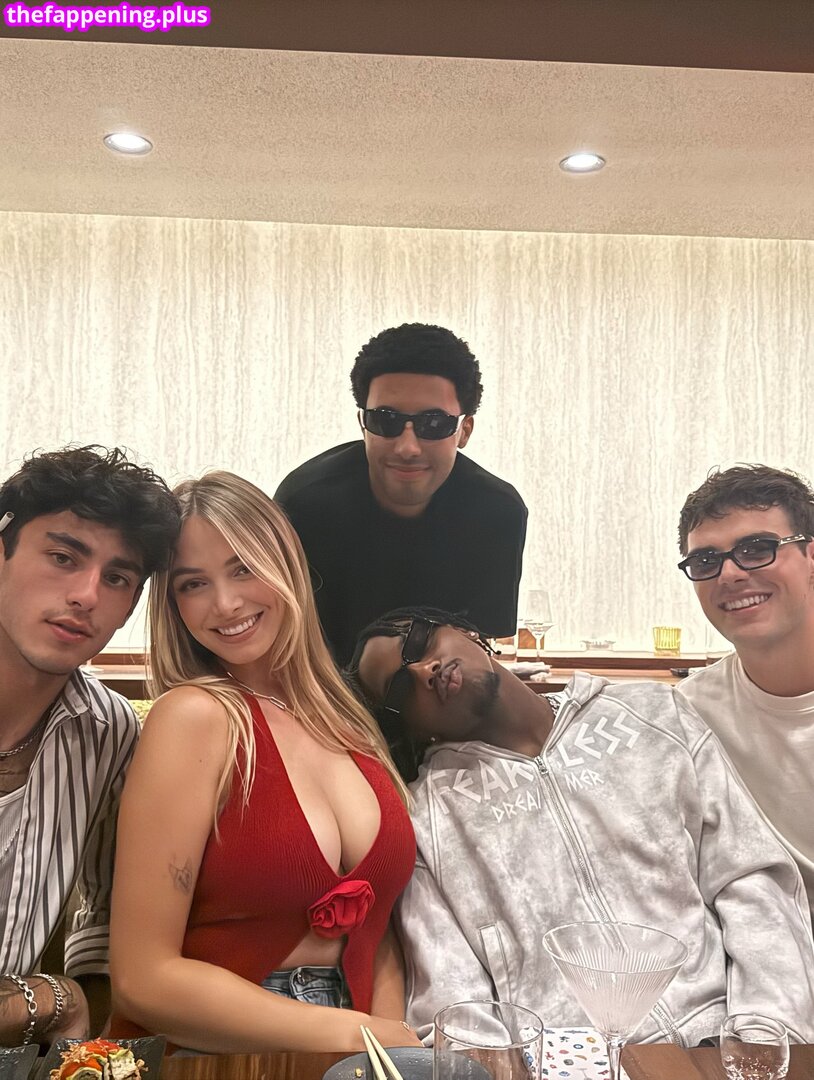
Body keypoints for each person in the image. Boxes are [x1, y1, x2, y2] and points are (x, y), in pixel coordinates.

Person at [349, 607, 814, 1046]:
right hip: (563, 1062)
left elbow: (752, 881)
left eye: (418, 642)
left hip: (720, 1043)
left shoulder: (654, 714)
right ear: (411, 727)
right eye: (399, 689)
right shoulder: (428, 817)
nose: (423, 670)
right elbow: (453, 1002)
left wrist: (761, 1038)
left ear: (465, 631)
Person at [109, 472, 419, 1054]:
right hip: (214, 1049)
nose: (225, 604)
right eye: (193, 584)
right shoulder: (193, 717)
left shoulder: (346, 719)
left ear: (286, 565)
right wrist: (361, 1035)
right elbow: (141, 979)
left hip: (360, 1044)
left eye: (244, 568)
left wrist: (394, 1049)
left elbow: (380, 935)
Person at [0, 446, 180, 1047]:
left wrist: (73, 1000)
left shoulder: (109, 731)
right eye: (62, 557)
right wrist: (45, 1001)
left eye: (117, 578)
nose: (86, 595)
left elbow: (107, 924)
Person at [275, 323, 528, 666]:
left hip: (438, 691)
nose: (407, 447)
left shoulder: (497, 512)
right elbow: (282, 640)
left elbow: (476, 653)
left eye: (434, 423)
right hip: (320, 689)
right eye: (386, 420)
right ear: (363, 423)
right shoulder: (303, 504)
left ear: (464, 431)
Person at [675, 464, 814, 922]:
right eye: (705, 561)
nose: (730, 574)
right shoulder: (687, 716)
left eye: (757, 549)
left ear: (811, 557)